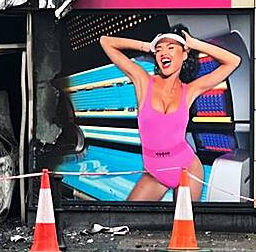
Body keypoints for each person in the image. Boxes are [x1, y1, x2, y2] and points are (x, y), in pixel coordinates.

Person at [99, 25, 241, 202]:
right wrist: (147, 46)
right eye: (159, 49)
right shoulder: (143, 81)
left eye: (171, 47)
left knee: (183, 226)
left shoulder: (189, 91)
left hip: (188, 168)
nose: (163, 52)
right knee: (130, 221)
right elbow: (106, 42)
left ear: (184, 54)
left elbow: (233, 61)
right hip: (155, 172)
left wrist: (193, 43)